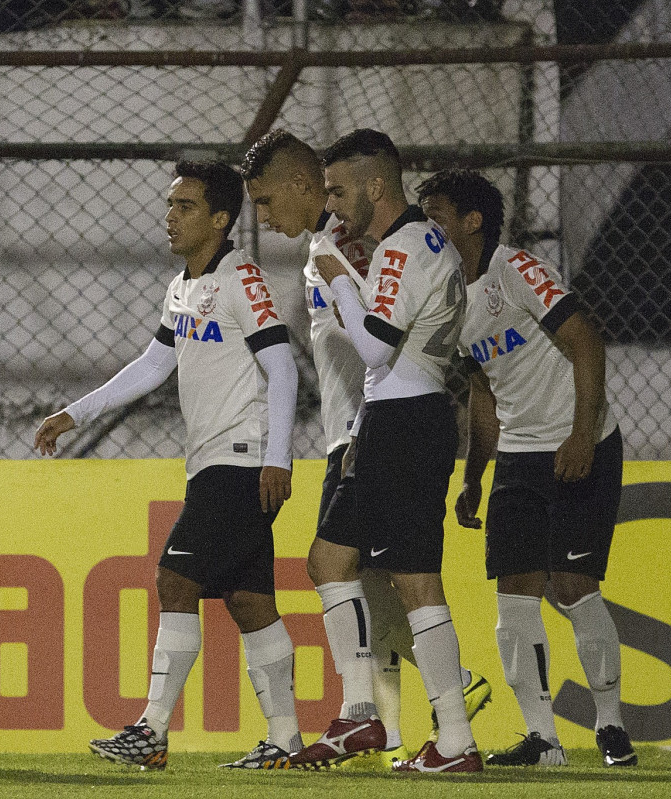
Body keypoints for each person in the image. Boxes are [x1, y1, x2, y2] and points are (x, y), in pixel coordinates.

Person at [35, 160, 302, 770]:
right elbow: (155, 365)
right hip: (214, 461)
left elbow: (282, 365)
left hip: (240, 462)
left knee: (174, 580)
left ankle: (151, 730)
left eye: (184, 207)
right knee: (250, 600)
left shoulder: (242, 278)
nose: (169, 217)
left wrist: (278, 458)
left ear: (219, 218)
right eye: (170, 205)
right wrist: (74, 413)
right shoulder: (183, 287)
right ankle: (286, 740)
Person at [241, 129, 491, 770]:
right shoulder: (413, 241)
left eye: (335, 190)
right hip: (411, 418)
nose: (265, 219)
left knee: (331, 562)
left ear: (370, 186)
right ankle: (454, 735)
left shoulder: (387, 247)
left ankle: (364, 717)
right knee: (408, 578)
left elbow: (376, 346)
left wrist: (337, 278)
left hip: (392, 422)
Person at [417, 168, 636, 768]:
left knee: (572, 589)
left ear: (472, 221)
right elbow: (484, 389)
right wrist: (473, 476)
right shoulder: (447, 298)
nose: (426, 230)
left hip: (579, 444)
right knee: (513, 596)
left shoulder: (514, 269)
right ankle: (543, 740)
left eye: (435, 216)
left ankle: (611, 724)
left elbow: (586, 342)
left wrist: (581, 435)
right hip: (518, 455)